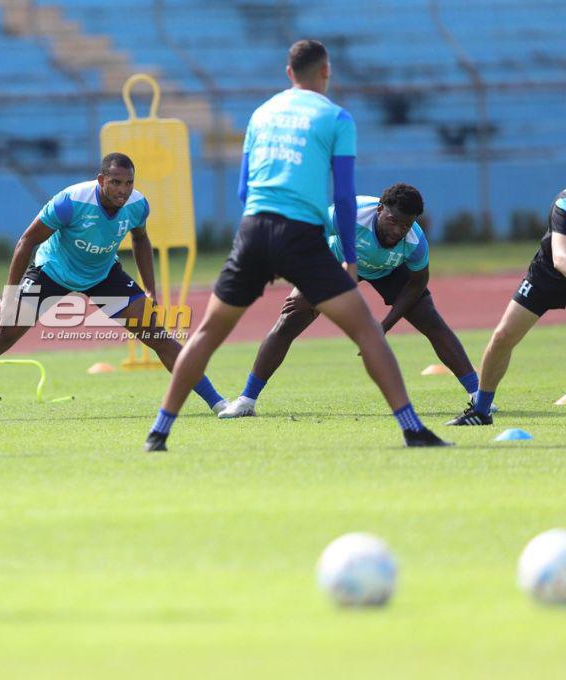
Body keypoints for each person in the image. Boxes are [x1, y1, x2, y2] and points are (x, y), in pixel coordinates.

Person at [144, 40, 449, 451]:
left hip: (253, 228)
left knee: (208, 332)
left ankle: (159, 432)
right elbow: (344, 197)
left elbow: (242, 190)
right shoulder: (337, 118)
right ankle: (413, 429)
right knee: (367, 333)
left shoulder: (261, 113)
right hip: (302, 235)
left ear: (289, 74)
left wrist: (260, 249)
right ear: (326, 72)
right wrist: (351, 262)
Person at [0, 152, 229, 425]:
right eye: (116, 182)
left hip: (103, 274)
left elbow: (141, 240)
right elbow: (26, 241)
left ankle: (217, 403)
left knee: (157, 336)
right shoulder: (70, 202)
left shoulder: (137, 205)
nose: (123, 190)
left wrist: (150, 288)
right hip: (53, 272)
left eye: (128, 182)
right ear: (101, 179)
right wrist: (9, 298)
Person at [222, 184, 480, 417]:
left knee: (432, 321)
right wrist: (312, 289)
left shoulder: (414, 242)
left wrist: (385, 325)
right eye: (393, 221)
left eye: (406, 225)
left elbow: (417, 283)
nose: (398, 230)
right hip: (336, 262)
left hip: (388, 272)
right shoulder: (350, 214)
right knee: (289, 319)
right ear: (380, 209)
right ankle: (247, 400)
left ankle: (479, 395)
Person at [447, 187, 566, 425]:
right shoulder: (564, 203)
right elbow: (561, 258)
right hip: (546, 278)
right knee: (502, 337)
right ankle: (481, 410)